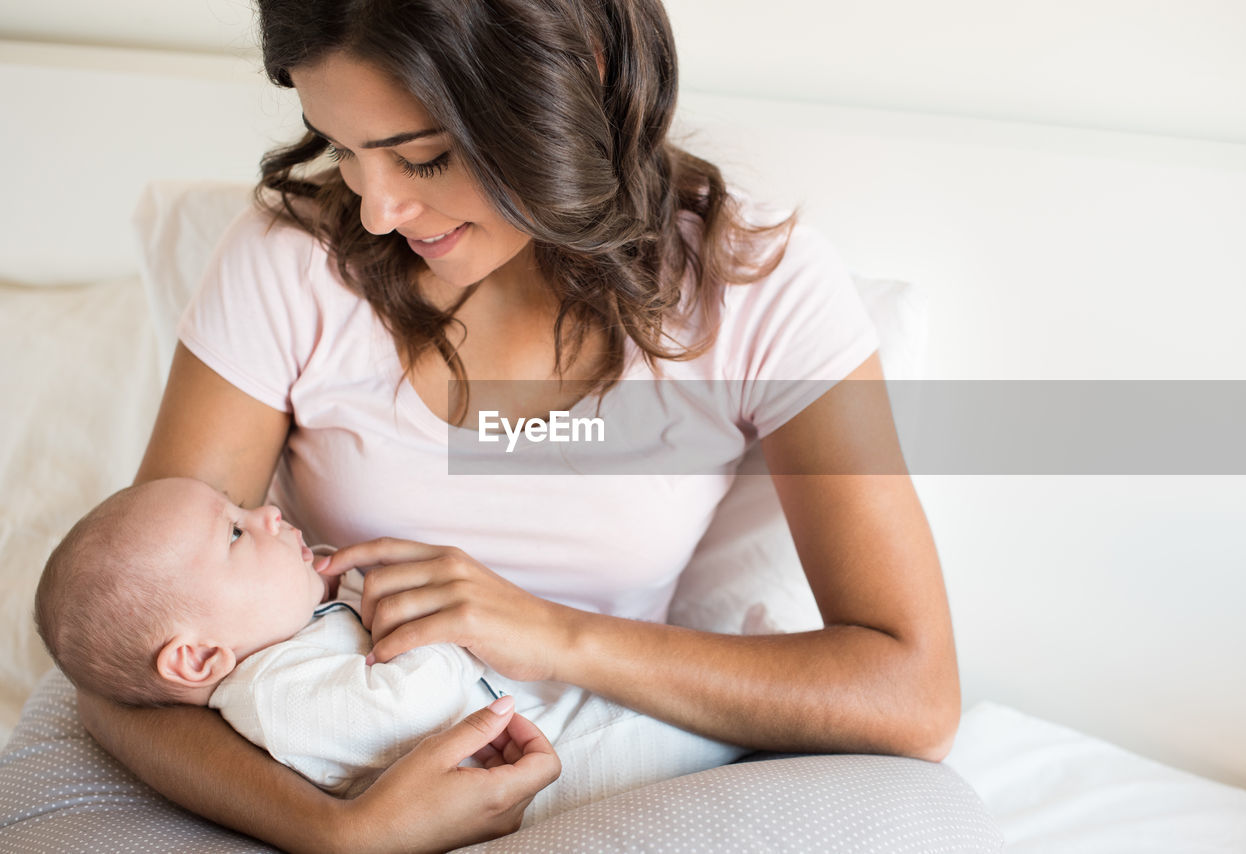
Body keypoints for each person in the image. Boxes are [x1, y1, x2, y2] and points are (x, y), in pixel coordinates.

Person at [76, 0, 961, 850]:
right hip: (337, 777)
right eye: (343, 148)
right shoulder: (291, 264)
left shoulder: (753, 287)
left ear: (571, 83)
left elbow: (913, 693)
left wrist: (549, 633)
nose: (377, 209)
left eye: (420, 158)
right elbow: (127, 660)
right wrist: (340, 833)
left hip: (607, 764)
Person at [36, 477, 744, 821]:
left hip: (547, 715)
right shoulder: (276, 696)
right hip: (571, 760)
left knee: (708, 701)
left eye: (240, 507)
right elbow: (415, 702)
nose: (269, 512)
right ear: (196, 659)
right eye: (235, 534)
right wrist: (391, 613)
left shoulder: (291, 643)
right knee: (695, 728)